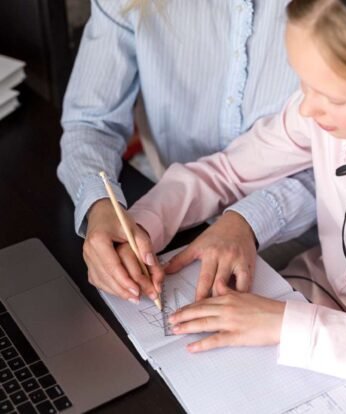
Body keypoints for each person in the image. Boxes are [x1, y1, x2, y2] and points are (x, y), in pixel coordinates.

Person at [123, 0, 346, 388]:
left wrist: (284, 324)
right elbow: (229, 170)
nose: (308, 108)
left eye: (334, 97)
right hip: (312, 292)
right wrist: (142, 226)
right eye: (303, 83)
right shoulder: (314, 114)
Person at [57, 0, 317, 304]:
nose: (312, 105)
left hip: (312, 237)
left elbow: (339, 160)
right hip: (178, 217)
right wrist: (108, 209)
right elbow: (90, 122)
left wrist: (247, 220)